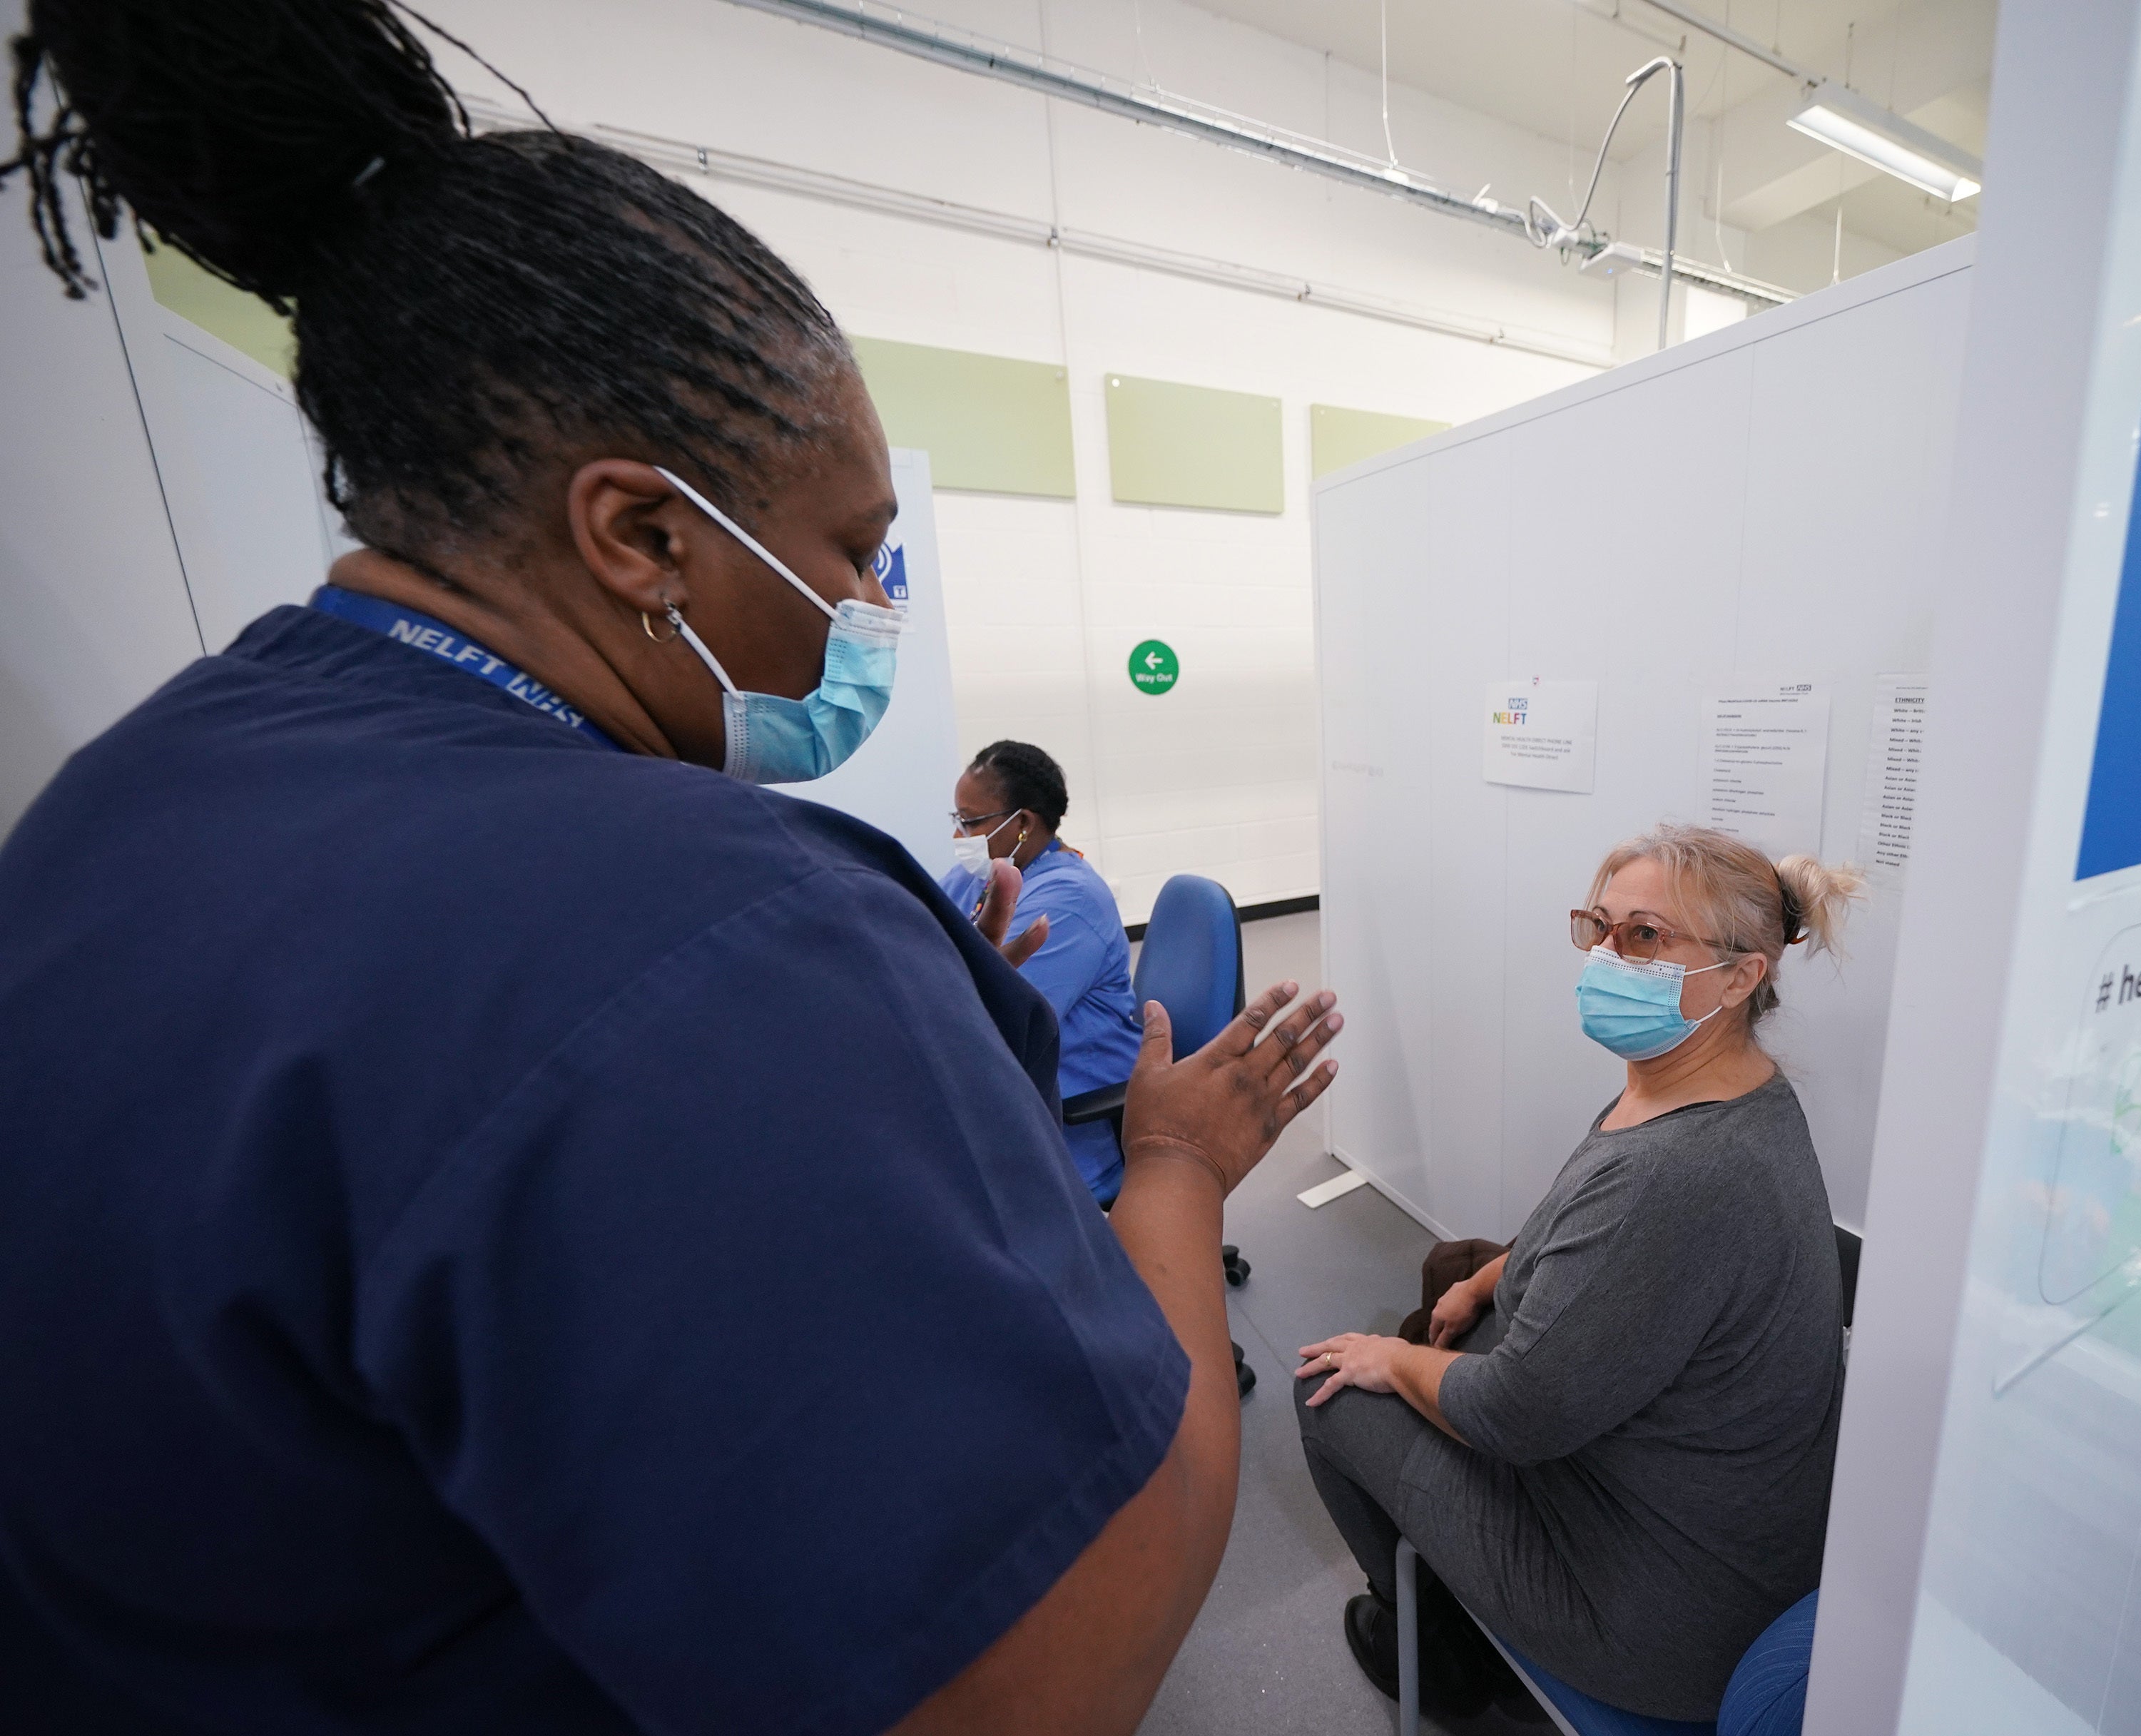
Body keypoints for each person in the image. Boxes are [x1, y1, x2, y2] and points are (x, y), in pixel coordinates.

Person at [0, 6, 1338, 1732]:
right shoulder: (727, 936)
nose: (875, 614)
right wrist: (1172, 1166)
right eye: (857, 552)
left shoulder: (113, 805)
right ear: (641, 531)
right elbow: (1053, 1667)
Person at [1291, 823, 1857, 1722]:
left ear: (1742, 975)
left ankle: (1434, 1653)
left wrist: (1388, 1362)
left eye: (1643, 936)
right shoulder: (1714, 1085)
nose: (1604, 955)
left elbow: (1514, 1415)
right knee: (1454, 1267)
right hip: (1710, 1522)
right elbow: (1583, 1236)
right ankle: (1442, 1580)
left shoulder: (1674, 1175)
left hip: (1661, 1617)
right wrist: (1485, 1281)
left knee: (1330, 1387)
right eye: (1598, 927)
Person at [942, 741, 1139, 1205]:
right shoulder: (986, 871)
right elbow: (916, 925)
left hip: (1074, 1109)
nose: (959, 837)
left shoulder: (1069, 901)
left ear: (1023, 823)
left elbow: (1001, 1020)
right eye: (956, 820)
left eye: (969, 822)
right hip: (1013, 1085)